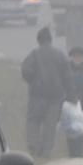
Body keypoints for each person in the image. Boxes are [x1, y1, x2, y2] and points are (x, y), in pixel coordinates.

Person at [17, 24, 68, 155]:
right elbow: (67, 75)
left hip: (38, 95)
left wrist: (32, 81)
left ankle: (33, 145)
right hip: (56, 96)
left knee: (34, 120)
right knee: (50, 124)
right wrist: (69, 94)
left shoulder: (34, 54)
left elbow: (25, 70)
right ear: (50, 40)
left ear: (39, 40)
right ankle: (46, 149)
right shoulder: (60, 55)